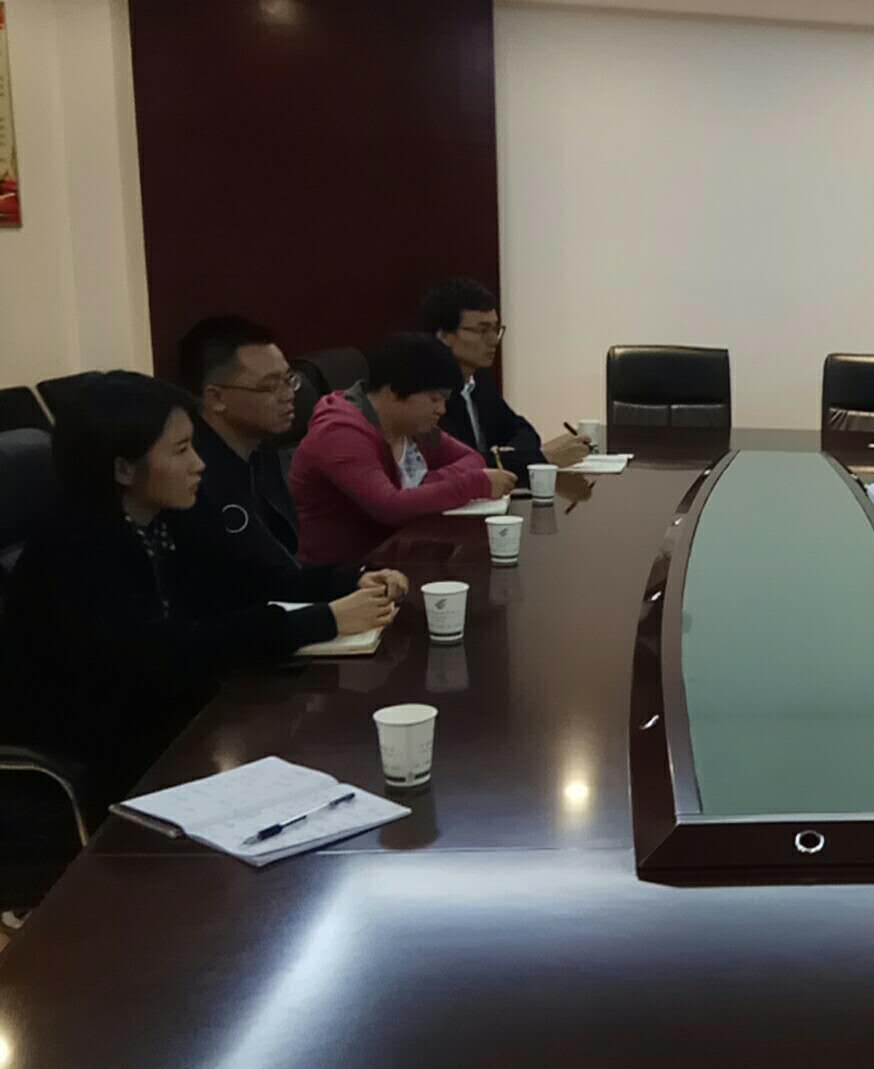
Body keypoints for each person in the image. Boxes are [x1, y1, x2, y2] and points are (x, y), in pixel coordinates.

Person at [1, 372, 404, 816]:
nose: (199, 464)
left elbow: (250, 580)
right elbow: (166, 653)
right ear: (123, 469)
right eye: (180, 450)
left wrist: (352, 580)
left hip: (180, 716)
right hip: (109, 752)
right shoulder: (76, 549)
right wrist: (323, 620)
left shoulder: (164, 516)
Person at [291, 332, 515, 566]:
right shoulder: (340, 433)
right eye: (434, 399)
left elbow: (473, 459)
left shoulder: (412, 428)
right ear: (393, 391)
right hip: (344, 574)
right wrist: (472, 484)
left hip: (398, 557)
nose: (441, 410)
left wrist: (425, 484)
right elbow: (390, 507)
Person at [171, 315, 311, 574]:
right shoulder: (191, 477)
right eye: (270, 386)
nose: (288, 395)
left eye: (289, 379)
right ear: (216, 398)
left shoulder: (261, 448)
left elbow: (284, 562)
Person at [424, 278, 590, 480]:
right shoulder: (427, 393)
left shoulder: (479, 379)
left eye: (495, 329)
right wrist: (539, 458)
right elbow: (459, 465)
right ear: (444, 336)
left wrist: (510, 457)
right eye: (482, 330)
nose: (494, 340)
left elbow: (522, 430)